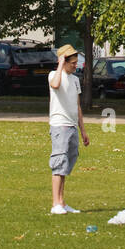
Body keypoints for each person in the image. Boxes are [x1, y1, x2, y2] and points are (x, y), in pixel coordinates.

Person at [49, 43, 89, 215]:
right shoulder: (54, 75)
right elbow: (56, 85)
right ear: (63, 61)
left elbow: (77, 106)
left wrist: (83, 131)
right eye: (72, 62)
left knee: (66, 164)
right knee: (59, 162)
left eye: (76, 62)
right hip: (60, 125)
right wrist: (59, 65)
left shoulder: (75, 79)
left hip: (72, 126)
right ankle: (55, 203)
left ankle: (62, 202)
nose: (76, 65)